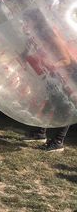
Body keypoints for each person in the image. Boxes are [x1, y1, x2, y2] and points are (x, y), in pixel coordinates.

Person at [21, 9, 76, 152]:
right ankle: (40, 133)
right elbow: (29, 49)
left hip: (69, 74)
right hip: (56, 74)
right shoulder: (36, 35)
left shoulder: (50, 36)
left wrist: (51, 65)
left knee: (65, 106)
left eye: (27, 21)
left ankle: (58, 141)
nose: (25, 24)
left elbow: (67, 60)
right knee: (50, 101)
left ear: (36, 21)